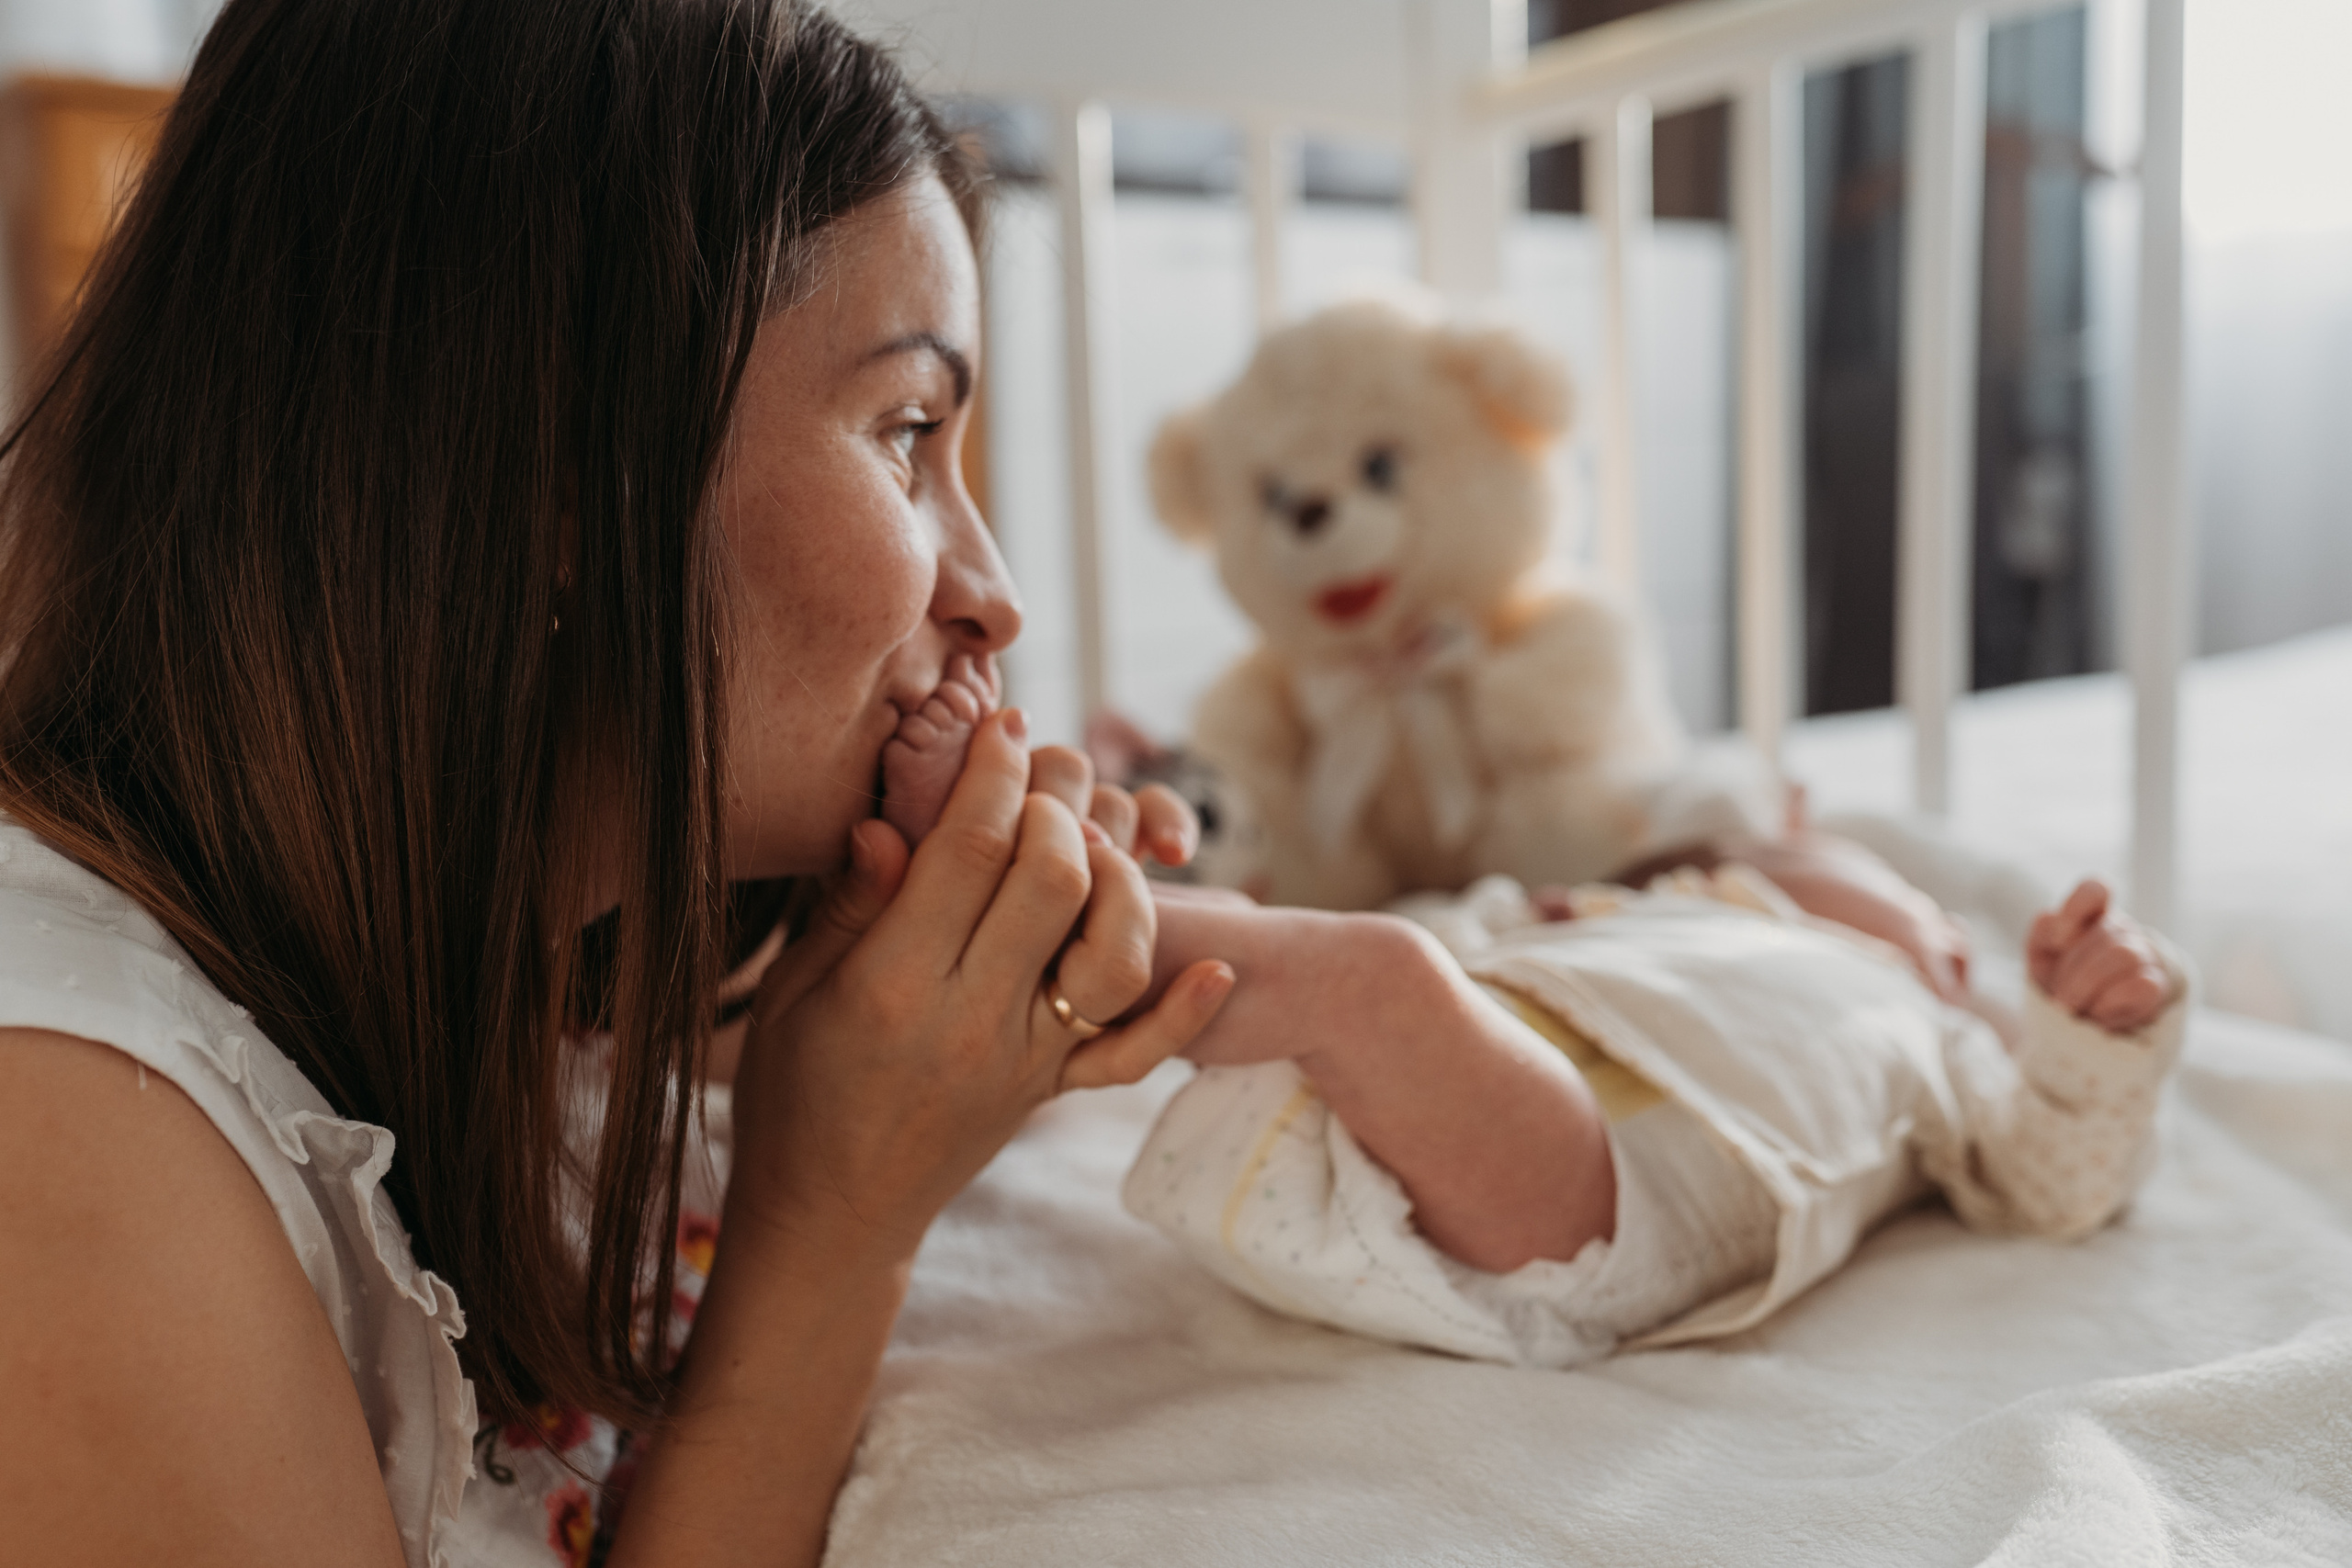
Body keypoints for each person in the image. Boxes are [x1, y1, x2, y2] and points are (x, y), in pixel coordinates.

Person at [0, 4, 1231, 1564]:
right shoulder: (61, 1139)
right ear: (562, 473)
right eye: (907, 432)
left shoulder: (529, 982)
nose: (993, 592)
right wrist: (831, 1233)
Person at [880, 660, 2187, 1364]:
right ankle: (1035, 926)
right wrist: (1552, 915)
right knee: (1378, 976)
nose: (1750, 874)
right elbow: (1463, 946)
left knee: (1375, 981)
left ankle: (1032, 892)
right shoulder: (1607, 919)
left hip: (1625, 1198)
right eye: (1716, 869)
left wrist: (2096, 1039)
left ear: (1948, 951)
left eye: (1868, 882)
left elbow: (2052, 1176)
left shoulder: (1936, 1026)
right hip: (1396, 1125)